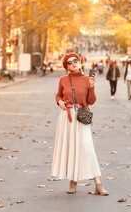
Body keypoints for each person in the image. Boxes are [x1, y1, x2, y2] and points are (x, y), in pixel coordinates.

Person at [52, 53, 108, 196]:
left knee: (87, 147)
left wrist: (91, 86)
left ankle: (98, 183)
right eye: (70, 63)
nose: (73, 64)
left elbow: (92, 101)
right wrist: (59, 102)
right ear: (67, 66)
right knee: (72, 150)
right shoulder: (63, 80)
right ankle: (73, 182)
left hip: (81, 117)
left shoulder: (86, 79)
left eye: (75, 61)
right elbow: (58, 95)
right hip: (67, 117)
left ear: (80, 62)